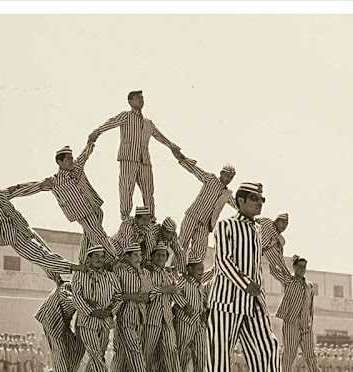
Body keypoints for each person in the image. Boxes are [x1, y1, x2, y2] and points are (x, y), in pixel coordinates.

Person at [205, 182, 300, 372]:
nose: (259, 203)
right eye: (254, 198)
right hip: (226, 298)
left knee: (267, 344)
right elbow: (224, 261)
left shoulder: (258, 230)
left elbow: (271, 259)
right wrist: (245, 283)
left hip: (254, 300)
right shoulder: (225, 225)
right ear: (240, 201)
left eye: (262, 199)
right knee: (220, 347)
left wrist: (286, 280)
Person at [88, 90, 184, 221]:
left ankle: (151, 219)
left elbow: (159, 136)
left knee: (148, 191)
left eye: (142, 97)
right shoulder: (126, 116)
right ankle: (126, 218)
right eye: (138, 97)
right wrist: (97, 131)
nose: (141, 99)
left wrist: (172, 147)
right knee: (126, 189)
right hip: (128, 158)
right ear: (130, 101)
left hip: (144, 161)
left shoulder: (148, 122)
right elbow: (111, 122)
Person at [0, 179, 83, 276]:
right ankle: (73, 267)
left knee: (45, 250)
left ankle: (57, 279)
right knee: (38, 256)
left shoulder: (1, 194)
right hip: (14, 238)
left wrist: (41, 185)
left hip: (24, 228)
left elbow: (20, 189)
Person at [32, 143, 117, 263]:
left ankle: (82, 262)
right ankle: (113, 259)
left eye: (72, 158)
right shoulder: (54, 181)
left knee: (89, 237)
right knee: (98, 234)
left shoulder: (77, 168)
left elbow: (85, 154)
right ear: (59, 162)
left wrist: (92, 140)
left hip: (95, 207)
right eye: (68, 159)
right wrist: (13, 191)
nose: (71, 161)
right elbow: (35, 187)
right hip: (82, 213)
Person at [275, 255, 333, 372]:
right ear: (294, 267)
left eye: (304, 267)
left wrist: (310, 323)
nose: (302, 270)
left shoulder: (309, 286)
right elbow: (274, 270)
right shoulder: (288, 280)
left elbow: (310, 307)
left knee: (310, 355)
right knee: (289, 354)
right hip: (291, 322)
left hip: (305, 324)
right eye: (299, 267)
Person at [71, 245, 122, 372]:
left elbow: (118, 296)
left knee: (99, 352)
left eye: (102, 256)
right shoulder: (80, 276)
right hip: (87, 320)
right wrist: (91, 310)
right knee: (94, 351)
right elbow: (76, 297)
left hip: (105, 320)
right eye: (96, 256)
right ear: (89, 259)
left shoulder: (110, 277)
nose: (100, 259)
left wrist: (110, 311)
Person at [176, 156, 237, 265]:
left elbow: (238, 205)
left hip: (205, 224)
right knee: (182, 244)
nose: (228, 179)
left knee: (200, 251)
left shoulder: (227, 193)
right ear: (221, 173)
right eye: (227, 175)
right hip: (193, 216)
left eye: (231, 177)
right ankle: (174, 270)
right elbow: (196, 170)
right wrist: (181, 159)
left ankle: (192, 273)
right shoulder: (211, 179)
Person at [144, 242, 186, 372]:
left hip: (167, 319)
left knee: (171, 349)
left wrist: (185, 306)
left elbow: (175, 293)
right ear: (153, 257)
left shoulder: (168, 275)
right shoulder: (147, 273)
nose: (161, 258)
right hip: (151, 319)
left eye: (164, 255)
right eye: (158, 255)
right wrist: (164, 290)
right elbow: (147, 294)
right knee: (148, 352)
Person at [110, 244, 152, 372]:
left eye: (140, 255)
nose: (138, 259)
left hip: (140, 315)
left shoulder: (145, 273)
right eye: (135, 255)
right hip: (125, 314)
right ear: (127, 257)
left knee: (121, 351)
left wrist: (145, 298)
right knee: (134, 347)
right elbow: (115, 294)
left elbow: (149, 293)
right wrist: (132, 296)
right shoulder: (120, 271)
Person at [36, 272, 85, 372]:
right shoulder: (67, 287)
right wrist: (88, 303)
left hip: (65, 321)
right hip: (51, 319)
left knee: (76, 351)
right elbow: (67, 298)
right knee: (61, 351)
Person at [172, 259, 210, 372]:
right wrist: (184, 305)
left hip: (199, 323)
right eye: (198, 268)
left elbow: (204, 300)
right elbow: (174, 293)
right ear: (190, 269)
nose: (201, 270)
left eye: (202, 267)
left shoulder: (201, 285)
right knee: (182, 353)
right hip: (184, 322)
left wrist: (205, 312)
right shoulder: (183, 282)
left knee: (201, 354)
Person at [257, 213, 292, 282]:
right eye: (283, 222)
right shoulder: (267, 223)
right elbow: (252, 220)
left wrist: (289, 276)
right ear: (276, 221)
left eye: (286, 224)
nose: (284, 225)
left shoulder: (278, 242)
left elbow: (280, 261)